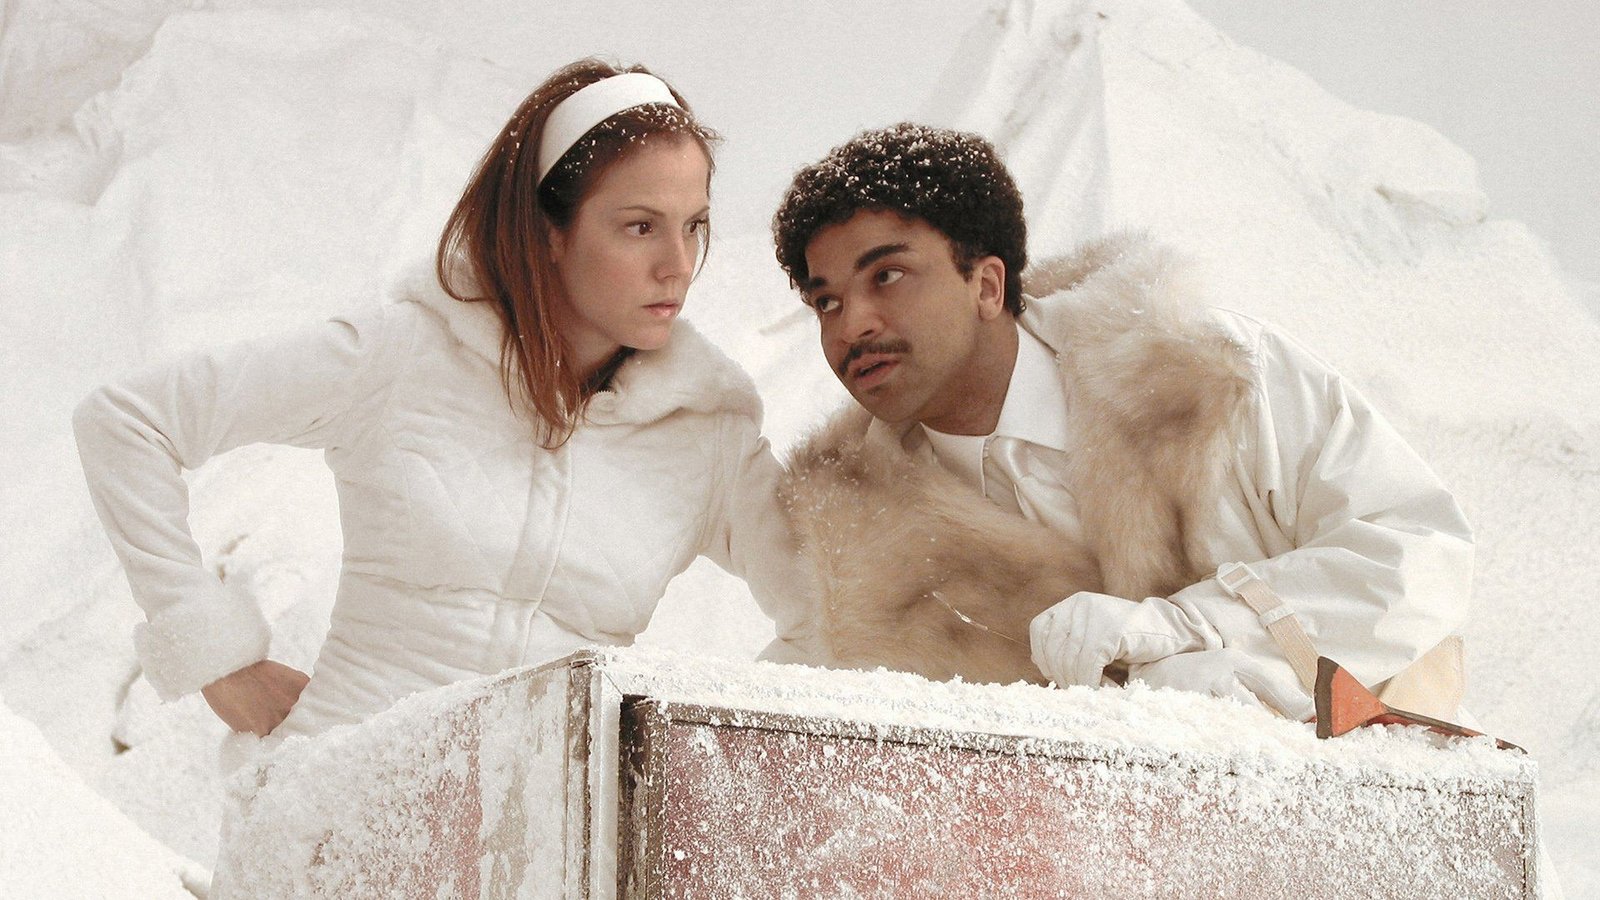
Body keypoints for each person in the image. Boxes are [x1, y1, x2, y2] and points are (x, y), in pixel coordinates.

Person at [72, 59, 818, 742]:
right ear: (549, 230)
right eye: (640, 227)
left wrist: (699, 757)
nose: (677, 265)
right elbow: (129, 422)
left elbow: (838, 614)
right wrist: (219, 662)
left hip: (544, 838)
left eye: (694, 227)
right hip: (337, 810)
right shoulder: (405, 352)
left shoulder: (707, 432)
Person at [770, 123, 1473, 722]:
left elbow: (1420, 551)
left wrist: (1192, 628)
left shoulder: (1211, 370)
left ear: (986, 285)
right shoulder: (854, 553)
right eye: (826, 302)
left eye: (887, 276)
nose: (851, 325)